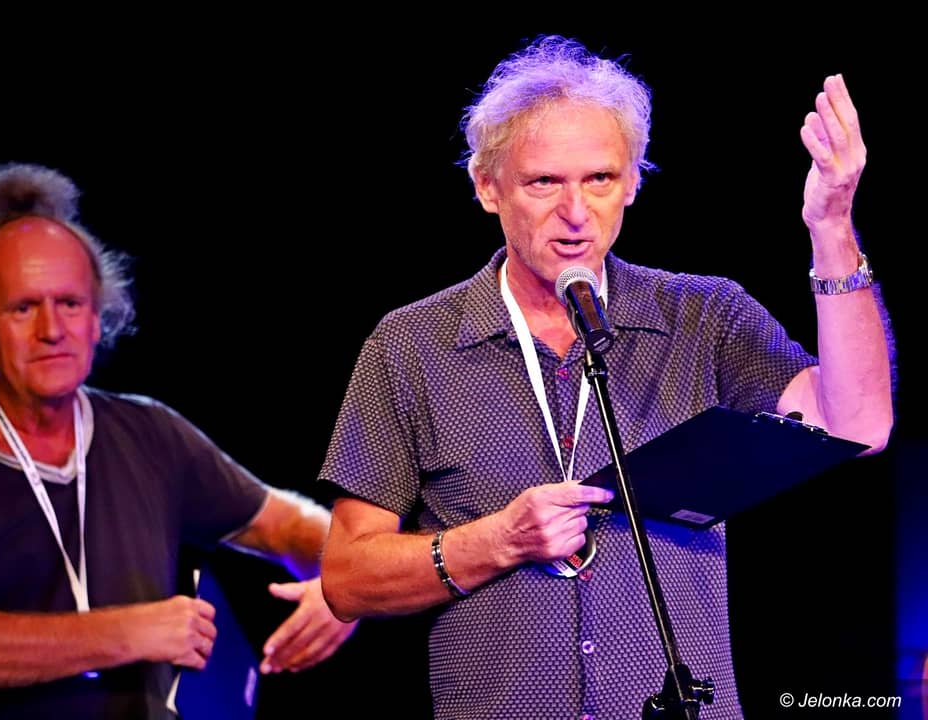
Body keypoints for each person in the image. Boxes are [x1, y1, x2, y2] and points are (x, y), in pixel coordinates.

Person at [317, 35, 893, 719]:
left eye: (600, 179)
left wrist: (831, 227)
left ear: (633, 182)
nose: (575, 212)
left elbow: (858, 424)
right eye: (543, 182)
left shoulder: (704, 317)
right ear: (486, 186)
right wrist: (498, 541)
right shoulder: (411, 345)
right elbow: (347, 580)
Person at [0, 162, 356, 719]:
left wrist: (342, 584)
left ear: (97, 320)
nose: (52, 330)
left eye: (70, 304)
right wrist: (128, 633)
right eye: (23, 308)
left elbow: (287, 524)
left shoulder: (150, 434)